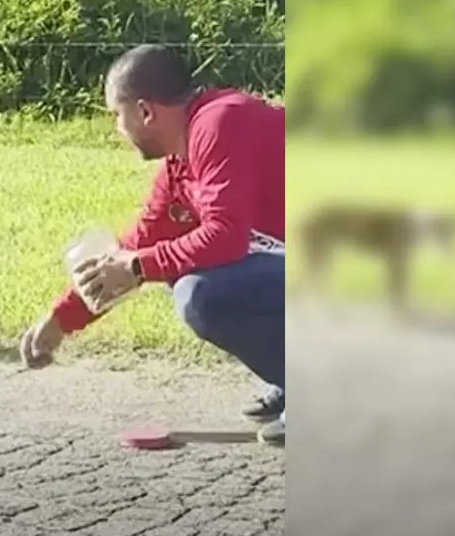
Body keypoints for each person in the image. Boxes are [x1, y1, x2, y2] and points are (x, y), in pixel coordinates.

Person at [19, 44, 286, 446]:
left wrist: (138, 266)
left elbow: (224, 235)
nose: (116, 130)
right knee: (180, 272)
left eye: (116, 115)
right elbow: (136, 244)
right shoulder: (180, 162)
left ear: (145, 111)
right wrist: (60, 320)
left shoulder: (220, 123)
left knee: (200, 293)